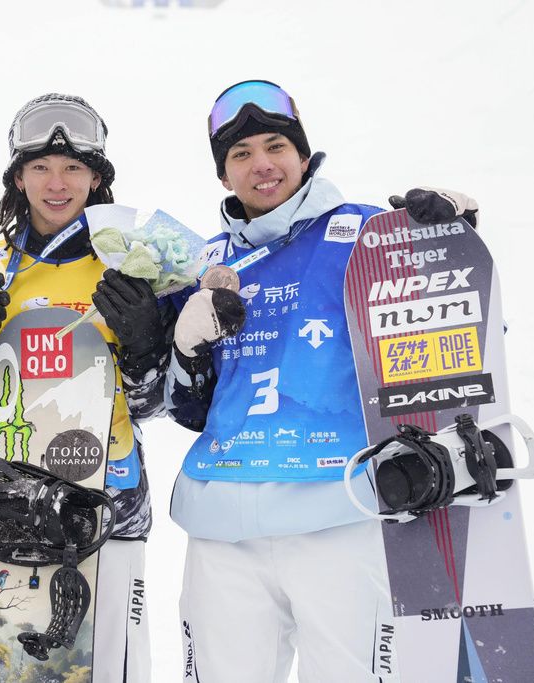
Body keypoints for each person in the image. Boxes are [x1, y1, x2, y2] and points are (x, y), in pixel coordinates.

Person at [166, 79, 478, 682]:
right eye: (240, 154)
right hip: (221, 523)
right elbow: (188, 408)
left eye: (275, 145)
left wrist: (449, 243)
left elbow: (458, 336)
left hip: (341, 511)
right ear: (223, 175)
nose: (262, 164)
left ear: (303, 155)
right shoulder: (201, 262)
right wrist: (186, 347)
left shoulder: (371, 232)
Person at [0, 93, 173, 681]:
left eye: (73, 167)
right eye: (41, 167)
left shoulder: (134, 268)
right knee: (7, 666)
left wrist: (147, 345)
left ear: (97, 177)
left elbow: (154, 402)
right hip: (0, 504)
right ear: (18, 177)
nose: (57, 182)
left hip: (108, 503)